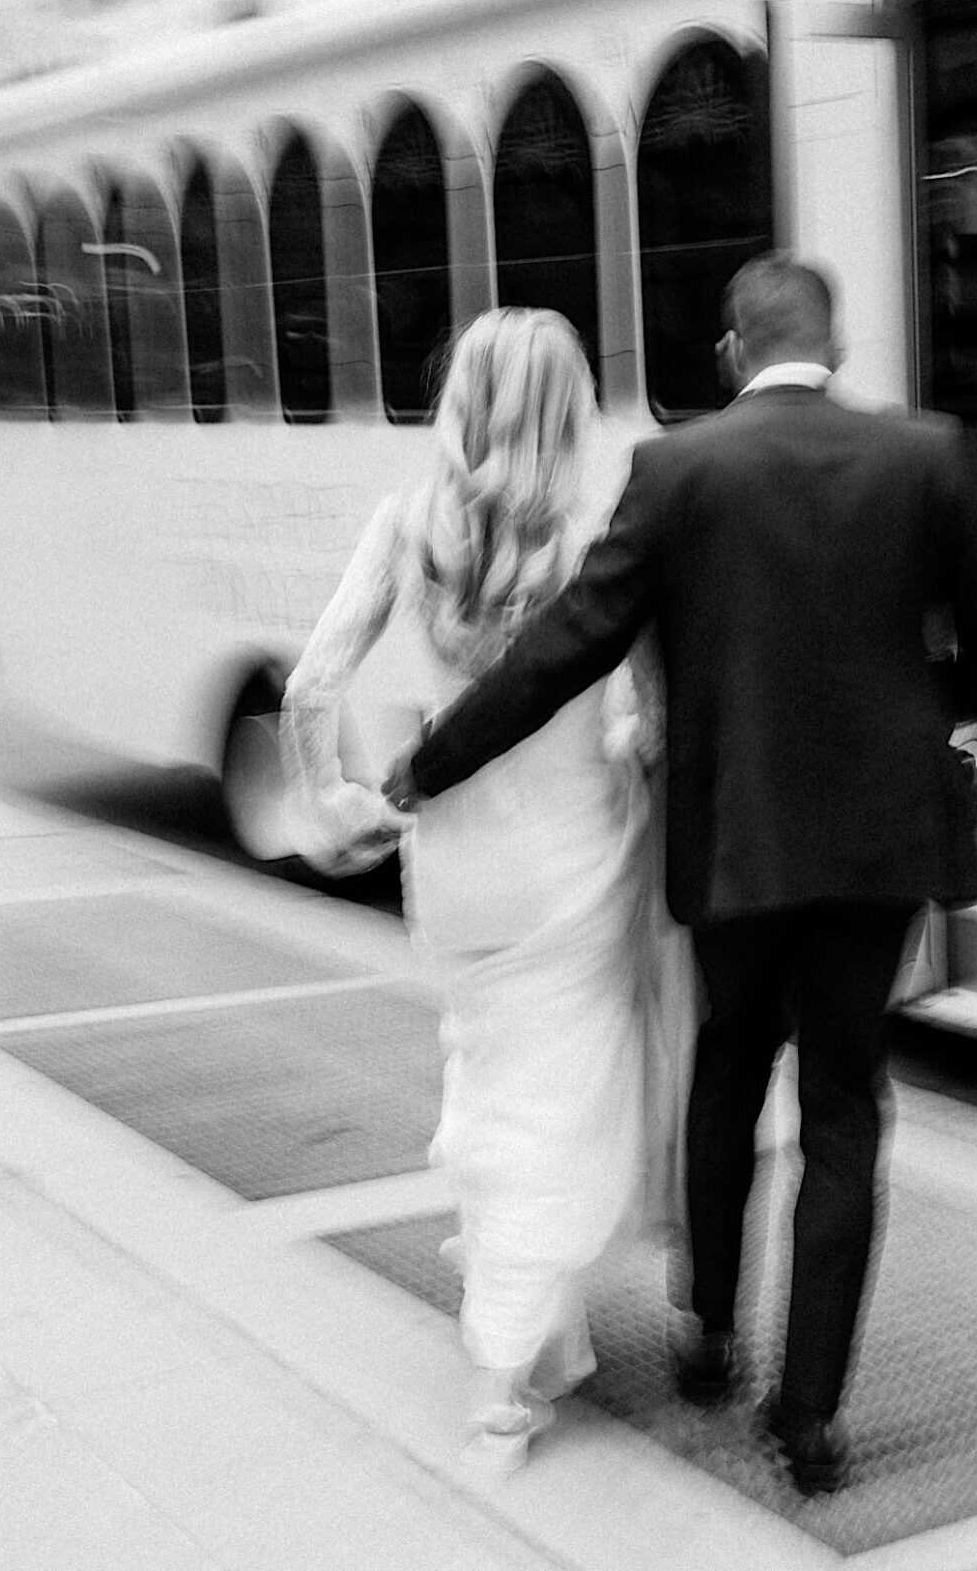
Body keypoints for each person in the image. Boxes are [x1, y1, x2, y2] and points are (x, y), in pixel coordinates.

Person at [381, 254, 977, 1496]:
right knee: (847, 1109)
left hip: (736, 838)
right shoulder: (927, 454)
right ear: (833, 347)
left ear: (735, 353)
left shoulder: (678, 470)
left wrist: (432, 758)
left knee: (728, 1067)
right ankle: (809, 1420)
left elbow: (568, 643)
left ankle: (707, 1335)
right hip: (881, 846)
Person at [281, 306, 693, 1475]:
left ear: (460, 403)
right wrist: (622, 752)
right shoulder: (592, 538)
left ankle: (537, 1342)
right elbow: (650, 721)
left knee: (493, 1072)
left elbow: (314, 683)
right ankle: (502, 1368)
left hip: (454, 863)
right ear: (567, 412)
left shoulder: (406, 525)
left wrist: (341, 801)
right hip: (572, 862)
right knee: (561, 1106)